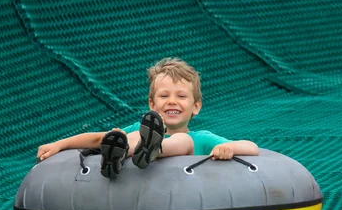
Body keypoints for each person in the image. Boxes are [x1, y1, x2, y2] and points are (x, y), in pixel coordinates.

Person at [36, 57, 259, 179]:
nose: (172, 101)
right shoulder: (138, 129)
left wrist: (228, 148)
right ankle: (119, 155)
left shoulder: (201, 138)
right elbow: (97, 139)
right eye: (164, 96)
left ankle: (154, 149)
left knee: (183, 141)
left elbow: (252, 147)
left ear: (196, 107)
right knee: (127, 134)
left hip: (181, 185)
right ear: (152, 104)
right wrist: (59, 144)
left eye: (181, 96)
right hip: (139, 159)